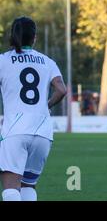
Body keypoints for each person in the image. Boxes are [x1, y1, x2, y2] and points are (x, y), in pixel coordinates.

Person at [0, 17, 67, 201]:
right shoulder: (47, 61)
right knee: (28, 186)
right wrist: (45, 105)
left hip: (15, 130)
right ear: (34, 37)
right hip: (43, 132)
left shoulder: (3, 61)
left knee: (10, 188)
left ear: (12, 36)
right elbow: (62, 90)